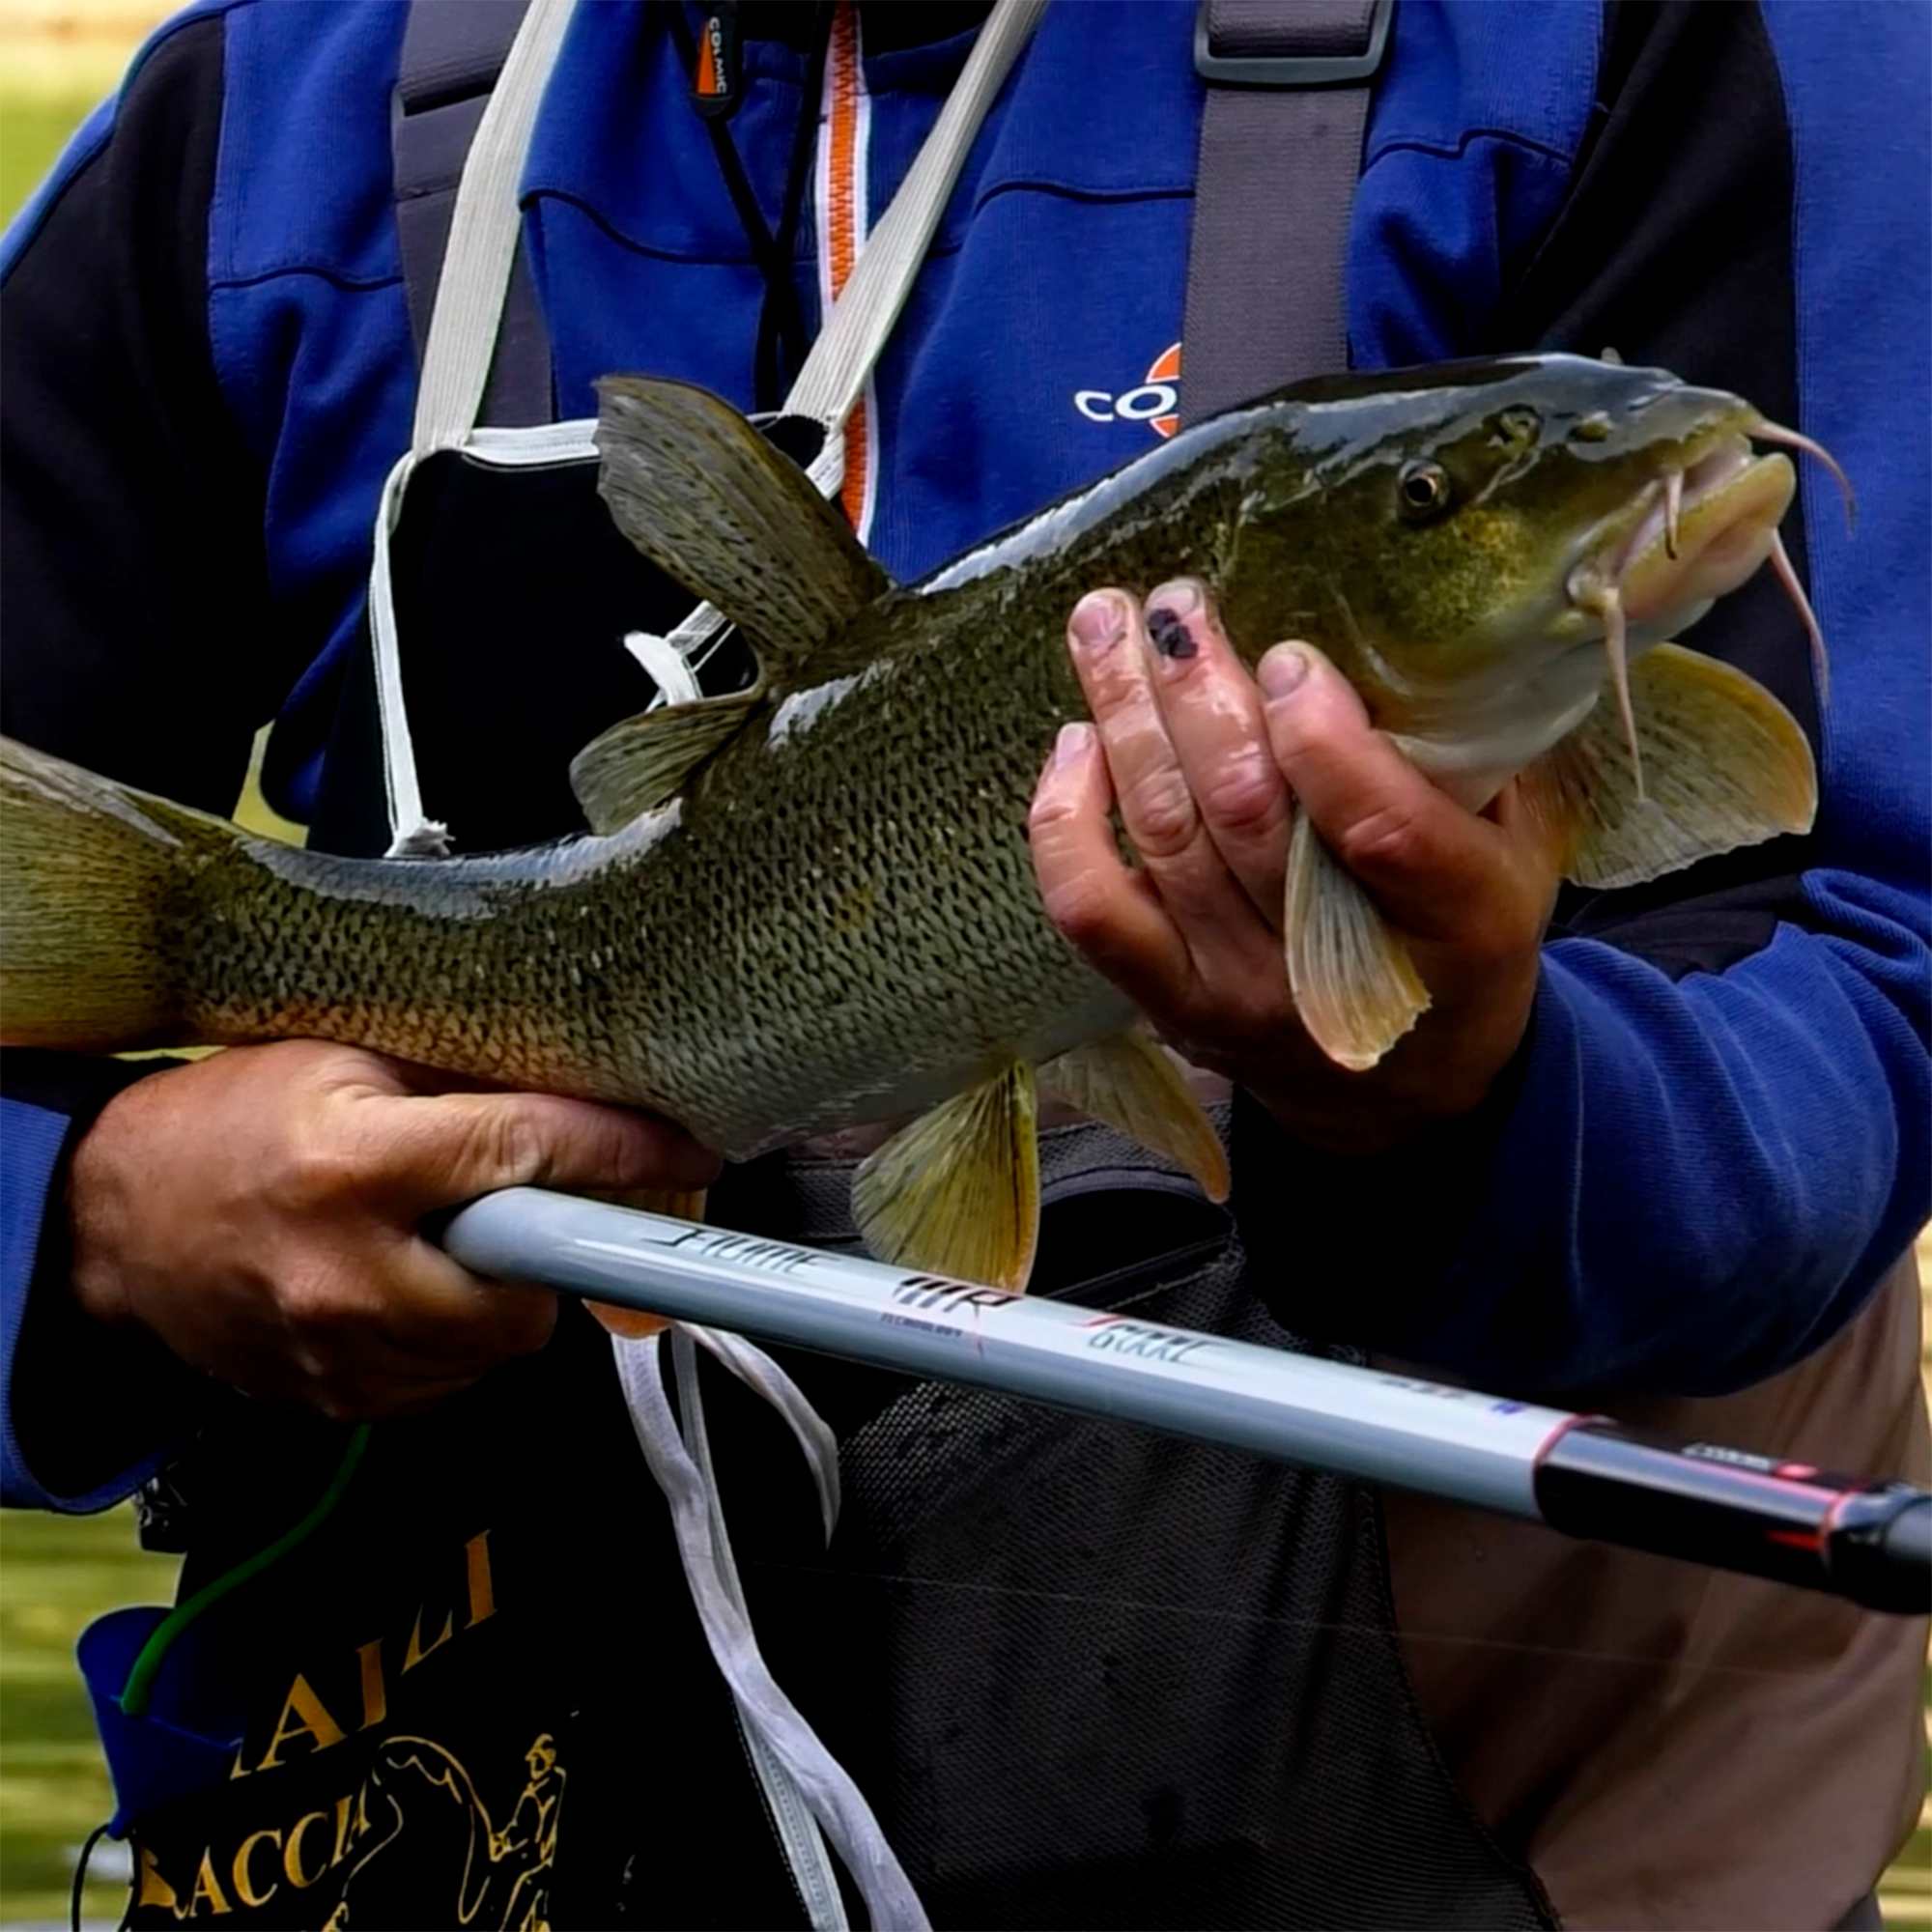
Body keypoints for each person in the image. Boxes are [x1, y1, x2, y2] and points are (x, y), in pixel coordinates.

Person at [2, 2, 1925, 1926]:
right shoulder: (259, 127)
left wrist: (1470, 1100)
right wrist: (89, 1224)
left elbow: (1849, 971)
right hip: (520, 1790)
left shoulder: (1657, 48)